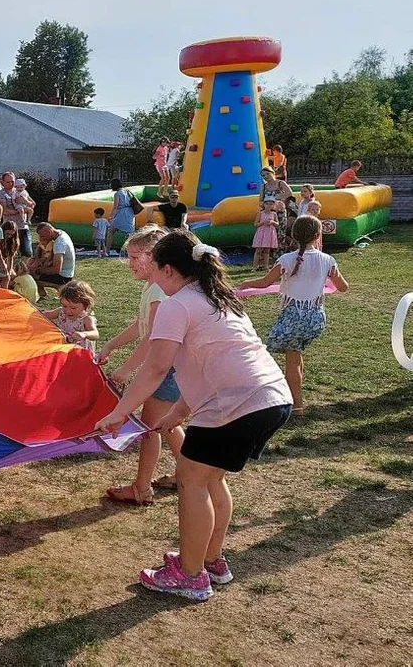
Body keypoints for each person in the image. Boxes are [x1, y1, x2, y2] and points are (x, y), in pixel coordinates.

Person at [95, 231, 293, 601]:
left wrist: (120, 412)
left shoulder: (177, 304)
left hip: (237, 404)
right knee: (209, 479)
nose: (150, 274)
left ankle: (190, 574)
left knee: (192, 480)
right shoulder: (217, 296)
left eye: (153, 267)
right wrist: (180, 411)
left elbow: (155, 370)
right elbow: (211, 362)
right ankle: (211, 560)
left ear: (168, 269)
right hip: (269, 398)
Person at [97, 226, 183, 505]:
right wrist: (112, 345)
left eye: (135, 257)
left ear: (154, 257)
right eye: (129, 257)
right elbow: (140, 326)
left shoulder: (159, 289)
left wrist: (126, 370)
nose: (129, 264)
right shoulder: (153, 287)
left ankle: (142, 488)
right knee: (166, 425)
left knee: (150, 427)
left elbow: (151, 338)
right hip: (170, 366)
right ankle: (190, 473)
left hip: (168, 368)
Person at [239, 216, 349, 419]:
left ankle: (297, 407)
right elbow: (343, 287)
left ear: (293, 236)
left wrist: (245, 284)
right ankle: (295, 397)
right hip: (316, 319)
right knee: (296, 358)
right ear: (318, 235)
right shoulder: (328, 260)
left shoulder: (287, 260)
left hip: (293, 318)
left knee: (292, 362)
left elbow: (264, 283)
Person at [43, 280, 99, 352]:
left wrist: (84, 334)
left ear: (86, 305)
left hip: (81, 353)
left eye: (73, 308)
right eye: (64, 306)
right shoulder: (60, 312)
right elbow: (42, 316)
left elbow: (95, 334)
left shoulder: (86, 319)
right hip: (64, 349)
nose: (68, 311)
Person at [32, 223, 76, 291]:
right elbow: (39, 246)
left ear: (49, 232)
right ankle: (42, 292)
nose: (41, 239)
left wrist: (38, 271)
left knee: (32, 277)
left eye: (43, 236)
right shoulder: (60, 232)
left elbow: (56, 270)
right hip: (68, 273)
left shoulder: (59, 245)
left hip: (63, 277)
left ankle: (60, 286)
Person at [109, 178, 137, 255]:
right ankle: (128, 251)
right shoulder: (126, 191)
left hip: (122, 213)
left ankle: (107, 250)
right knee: (129, 233)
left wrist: (111, 217)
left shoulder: (117, 194)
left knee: (111, 231)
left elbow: (115, 207)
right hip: (130, 213)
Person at [252, 198, 280, 271]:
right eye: (267, 204)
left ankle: (266, 266)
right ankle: (254, 267)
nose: (268, 206)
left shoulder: (274, 214)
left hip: (269, 233)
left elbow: (277, 224)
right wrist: (262, 223)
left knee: (267, 250)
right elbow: (255, 224)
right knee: (258, 250)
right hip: (261, 233)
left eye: (271, 204)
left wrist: (272, 222)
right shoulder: (260, 213)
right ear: (264, 205)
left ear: (273, 205)